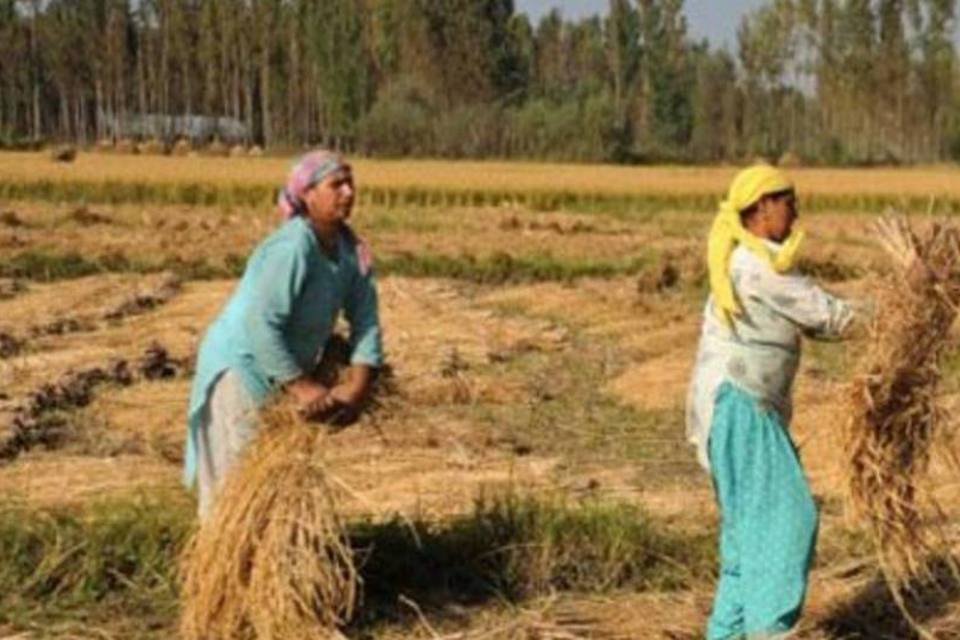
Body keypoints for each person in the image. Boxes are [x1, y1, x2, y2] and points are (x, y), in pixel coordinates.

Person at [686, 164, 855, 639]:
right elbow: (828, 316)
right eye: (788, 200)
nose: (796, 209)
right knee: (789, 520)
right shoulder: (757, 267)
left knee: (746, 541)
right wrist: (899, 308)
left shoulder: (755, 259)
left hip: (731, 411)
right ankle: (768, 631)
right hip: (744, 410)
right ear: (761, 208)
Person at [184, 150, 383, 520]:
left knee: (274, 486)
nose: (349, 192)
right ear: (308, 195)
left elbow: (366, 320)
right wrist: (304, 387)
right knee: (235, 491)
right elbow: (261, 326)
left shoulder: (351, 251)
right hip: (240, 369)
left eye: (350, 182)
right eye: (336, 184)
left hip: (282, 373)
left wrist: (358, 385)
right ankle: (224, 572)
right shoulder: (292, 248)